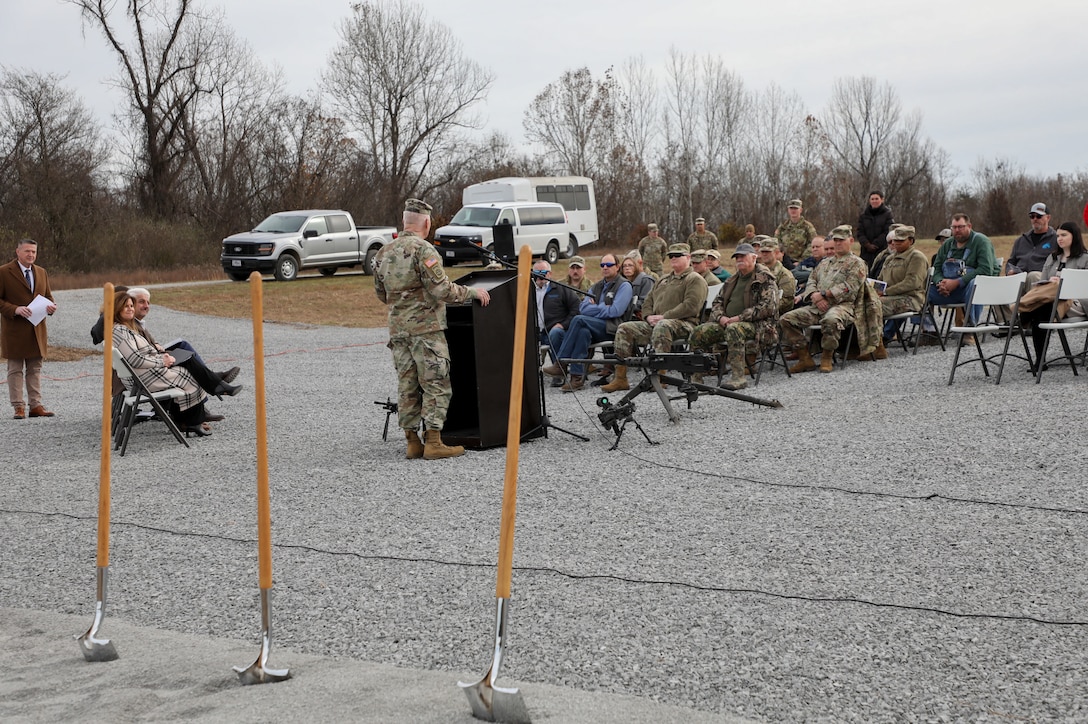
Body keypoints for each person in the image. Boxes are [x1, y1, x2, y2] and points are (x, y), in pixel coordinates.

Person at [374, 198, 491, 460]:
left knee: (407, 385)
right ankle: (434, 442)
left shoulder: (383, 253)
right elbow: (442, 289)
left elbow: (381, 294)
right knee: (436, 383)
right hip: (426, 331)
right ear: (426, 223)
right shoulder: (423, 250)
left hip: (398, 332)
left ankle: (412, 442)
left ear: (405, 222)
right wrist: (473, 292)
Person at [602, 243, 708, 392]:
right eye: (671, 256)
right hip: (657, 324)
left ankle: (659, 377)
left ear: (688, 258)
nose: (673, 258)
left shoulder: (694, 279)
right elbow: (648, 301)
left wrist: (664, 316)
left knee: (663, 325)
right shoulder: (663, 279)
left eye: (678, 255)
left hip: (684, 324)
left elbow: (691, 306)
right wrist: (648, 317)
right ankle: (620, 379)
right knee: (625, 328)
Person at [112, 292, 219, 436]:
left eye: (131, 305)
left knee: (186, 363)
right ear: (117, 309)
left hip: (141, 375)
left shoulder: (126, 328)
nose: (130, 309)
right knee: (188, 373)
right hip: (142, 380)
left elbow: (141, 353)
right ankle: (193, 419)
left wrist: (161, 355)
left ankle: (189, 417)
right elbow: (135, 359)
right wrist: (162, 361)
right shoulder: (120, 331)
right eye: (126, 306)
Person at [687, 244, 779, 390]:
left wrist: (740, 317)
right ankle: (697, 377)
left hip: (759, 326)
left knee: (734, 329)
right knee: (698, 332)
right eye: (737, 257)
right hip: (727, 322)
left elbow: (768, 307)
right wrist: (720, 317)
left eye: (743, 256)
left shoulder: (765, 279)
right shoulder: (732, 280)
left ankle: (738, 377)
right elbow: (717, 302)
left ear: (754, 257)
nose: (739, 259)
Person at [779, 225, 868, 373]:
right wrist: (815, 296)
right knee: (786, 319)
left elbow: (850, 287)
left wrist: (825, 294)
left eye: (841, 240)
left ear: (851, 240)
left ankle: (827, 357)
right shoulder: (825, 262)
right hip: (817, 306)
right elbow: (811, 280)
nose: (838, 243)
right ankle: (805, 357)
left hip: (843, 306)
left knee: (831, 320)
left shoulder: (857, 263)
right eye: (836, 240)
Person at [543, 253, 633, 391]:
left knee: (579, 320)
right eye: (602, 265)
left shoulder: (624, 286)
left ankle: (560, 363)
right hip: (594, 326)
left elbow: (616, 311)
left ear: (617, 267)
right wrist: (603, 307)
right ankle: (577, 378)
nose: (605, 268)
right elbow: (583, 308)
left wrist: (595, 307)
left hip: (613, 328)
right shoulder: (597, 286)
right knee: (582, 332)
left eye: (609, 265)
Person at [128, 287, 241, 387]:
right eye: (142, 302)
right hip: (150, 368)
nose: (146, 306)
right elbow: (139, 351)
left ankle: (212, 379)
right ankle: (214, 379)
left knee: (184, 349)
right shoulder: (129, 324)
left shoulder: (137, 323)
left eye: (148, 302)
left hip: (151, 362)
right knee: (188, 359)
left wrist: (155, 344)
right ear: (131, 303)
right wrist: (157, 350)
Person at [1016, 222, 1088, 370]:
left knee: (1039, 308)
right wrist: (1050, 282)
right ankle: (1040, 361)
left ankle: (1022, 313)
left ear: (1074, 237)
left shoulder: (1085, 259)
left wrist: (1063, 283)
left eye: (1064, 235)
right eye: (1058, 236)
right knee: (1043, 307)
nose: (1059, 239)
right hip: (1053, 302)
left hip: (1076, 302)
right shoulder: (1052, 258)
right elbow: (1041, 285)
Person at [1, 239, 57, 419]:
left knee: (35, 369)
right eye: (27, 251)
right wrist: (15, 309)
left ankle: (36, 406)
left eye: (33, 251)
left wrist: (51, 308)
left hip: (37, 329)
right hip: (15, 329)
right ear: (17, 252)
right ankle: (18, 407)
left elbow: (48, 296)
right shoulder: (4, 272)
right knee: (15, 369)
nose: (31, 255)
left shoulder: (41, 272)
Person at [928, 212, 999, 324]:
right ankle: (928, 331)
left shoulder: (981, 241)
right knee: (923, 289)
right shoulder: (947, 244)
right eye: (954, 227)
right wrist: (941, 283)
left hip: (975, 290)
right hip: (948, 291)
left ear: (969, 226)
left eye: (960, 227)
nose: (957, 230)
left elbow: (985, 271)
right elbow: (936, 268)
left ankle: (969, 330)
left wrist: (957, 282)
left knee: (975, 283)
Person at [875, 225, 928, 348]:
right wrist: (873, 291)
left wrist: (886, 292)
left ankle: (877, 344)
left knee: (873, 305)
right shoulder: (889, 259)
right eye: (895, 240)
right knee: (863, 303)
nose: (896, 243)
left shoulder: (916, 257)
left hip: (910, 299)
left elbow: (912, 282)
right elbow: (880, 280)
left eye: (901, 240)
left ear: (911, 240)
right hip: (889, 297)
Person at [532, 260, 580, 365]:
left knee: (555, 333)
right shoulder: (528, 291)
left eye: (543, 273)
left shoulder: (560, 289)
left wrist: (563, 325)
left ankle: (558, 369)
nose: (540, 277)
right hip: (535, 332)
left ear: (550, 274)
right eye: (536, 274)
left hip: (554, 330)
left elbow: (576, 308)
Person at [1007, 203, 1057, 282]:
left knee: (1032, 276)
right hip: (1019, 278)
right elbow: (1011, 262)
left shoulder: (1056, 239)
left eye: (1039, 216)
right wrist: (1009, 271)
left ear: (1048, 218)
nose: (1035, 219)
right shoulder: (1020, 240)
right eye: (1032, 216)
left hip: (1043, 278)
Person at [855, 191, 894, 270]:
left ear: (882, 200)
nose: (874, 201)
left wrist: (876, 244)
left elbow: (887, 231)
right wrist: (867, 244)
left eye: (877, 199)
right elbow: (860, 232)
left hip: (881, 250)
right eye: (872, 199)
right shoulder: (863, 216)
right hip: (866, 251)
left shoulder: (887, 214)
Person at [756, 238, 796, 314]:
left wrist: (763, 308)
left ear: (776, 253)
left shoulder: (784, 275)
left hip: (773, 315)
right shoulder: (757, 270)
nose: (764, 254)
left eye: (768, 252)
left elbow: (787, 302)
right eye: (762, 251)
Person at [774, 199, 818, 263]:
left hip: (801, 261)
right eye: (791, 208)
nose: (793, 211)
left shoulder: (807, 226)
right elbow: (776, 242)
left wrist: (802, 261)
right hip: (783, 260)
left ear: (800, 210)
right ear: (788, 210)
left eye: (795, 208)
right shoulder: (783, 227)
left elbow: (812, 244)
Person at [621, 251, 655, 319]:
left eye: (630, 265)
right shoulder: (622, 282)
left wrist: (623, 304)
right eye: (624, 266)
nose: (627, 268)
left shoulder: (646, 280)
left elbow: (645, 302)